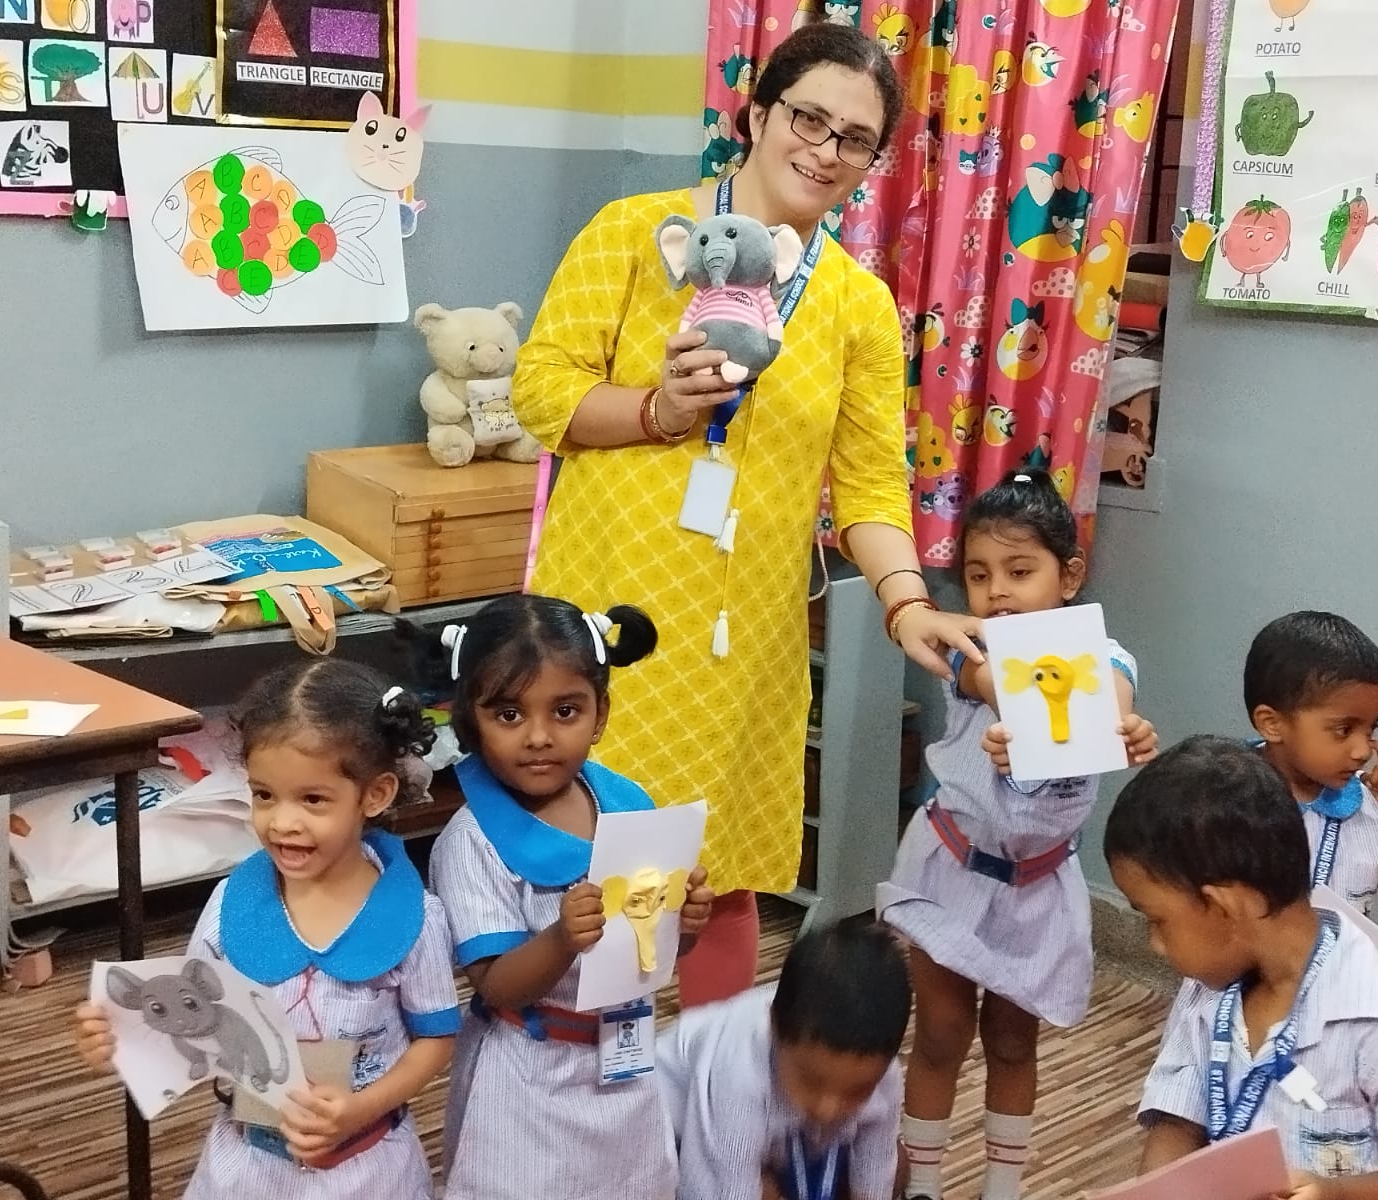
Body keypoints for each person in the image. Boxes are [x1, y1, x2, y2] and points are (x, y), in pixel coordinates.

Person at [510, 21, 984, 1007]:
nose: (825, 150)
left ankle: (707, 1082)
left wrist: (906, 603)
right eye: (808, 118)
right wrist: (658, 411)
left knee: (717, 875)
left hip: (744, 644)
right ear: (758, 113)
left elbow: (868, 483)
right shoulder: (636, 233)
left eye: (855, 139)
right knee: (594, 873)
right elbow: (542, 393)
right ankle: (582, 1077)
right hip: (613, 622)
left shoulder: (855, 304)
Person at [73, 662, 462, 1199]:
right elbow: (192, 1022)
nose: (282, 822)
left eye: (313, 799)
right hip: (245, 1165)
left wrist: (360, 1108)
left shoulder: (415, 917)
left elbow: (436, 1039)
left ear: (374, 795)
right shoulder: (230, 906)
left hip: (370, 1170)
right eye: (264, 795)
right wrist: (120, 1037)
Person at [877, 470, 1159, 1200]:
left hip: (1037, 888)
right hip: (949, 868)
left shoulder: (1108, 660)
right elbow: (997, 684)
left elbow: (1110, 695)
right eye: (978, 575)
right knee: (940, 1034)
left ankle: (1002, 1187)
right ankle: (922, 1187)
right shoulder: (969, 652)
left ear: (1070, 576)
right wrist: (1041, 716)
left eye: (1019, 571)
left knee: (1011, 1039)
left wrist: (1121, 726)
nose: (997, 591)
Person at [427, 593, 715, 1200]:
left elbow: (650, 952)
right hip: (526, 1077)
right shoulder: (472, 842)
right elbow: (496, 985)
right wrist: (560, 939)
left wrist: (685, 925)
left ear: (600, 713)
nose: (539, 737)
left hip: (624, 1060)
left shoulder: (628, 804)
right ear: (468, 719)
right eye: (509, 714)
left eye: (565, 711)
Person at [1106, 736, 1378, 1199]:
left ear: (1223, 908)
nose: (1155, 944)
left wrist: (1337, 1193)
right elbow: (1178, 1118)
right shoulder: (1203, 997)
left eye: (1157, 919)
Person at [659, 920, 910, 1200]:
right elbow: (721, 1190)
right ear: (774, 1028)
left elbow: (876, 1173)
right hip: (681, 1133)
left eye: (857, 1091)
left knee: (897, 1165)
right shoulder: (739, 1069)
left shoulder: (881, 1071)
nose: (827, 1109)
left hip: (783, 1141)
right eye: (812, 1082)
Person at [1245, 611, 1378, 912]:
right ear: (1272, 724)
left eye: (1372, 729)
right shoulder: (1225, 797)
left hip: (1340, 944)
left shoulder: (1368, 800)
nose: (1362, 751)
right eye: (1344, 730)